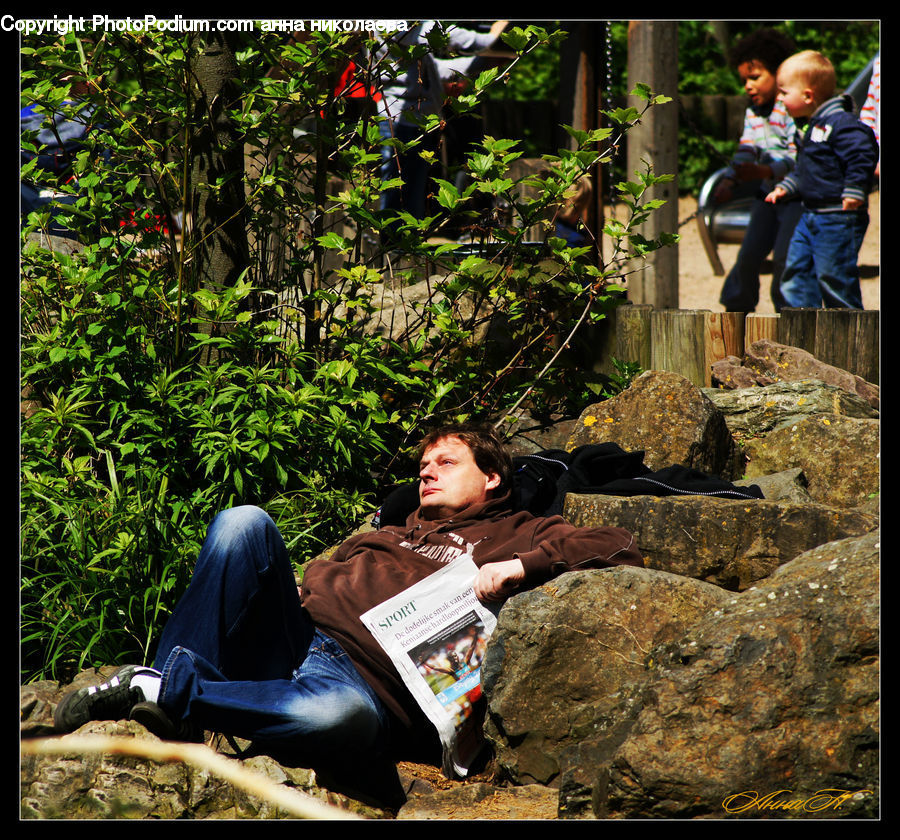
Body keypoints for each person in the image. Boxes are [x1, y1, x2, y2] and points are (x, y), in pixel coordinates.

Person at [54, 423, 642, 782]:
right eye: (421, 467)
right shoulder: (388, 528)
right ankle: (168, 685)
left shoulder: (520, 530)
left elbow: (618, 548)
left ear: (491, 477)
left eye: (445, 462)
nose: (426, 474)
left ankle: (161, 694)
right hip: (296, 639)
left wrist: (519, 566)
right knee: (243, 523)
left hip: (369, 688)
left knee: (338, 719)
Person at [765, 50, 879, 309]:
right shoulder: (811, 127)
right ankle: (803, 332)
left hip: (839, 216)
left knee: (834, 277)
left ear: (807, 95)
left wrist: (854, 190)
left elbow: (863, 153)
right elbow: (806, 169)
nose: (779, 98)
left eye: (784, 92)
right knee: (796, 274)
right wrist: (787, 187)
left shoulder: (840, 124)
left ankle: (850, 336)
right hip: (811, 214)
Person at [371, 20, 508, 223]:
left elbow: (435, 70)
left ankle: (404, 248)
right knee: (399, 199)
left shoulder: (414, 40)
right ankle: (394, 248)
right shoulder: (395, 26)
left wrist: (483, 62)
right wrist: (494, 38)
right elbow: (441, 34)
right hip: (401, 121)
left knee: (411, 198)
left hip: (420, 122)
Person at [715, 28, 801, 313]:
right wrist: (730, 179)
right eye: (744, 81)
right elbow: (746, 147)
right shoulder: (753, 112)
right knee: (749, 255)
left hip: (794, 197)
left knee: (785, 260)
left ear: (779, 73)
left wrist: (764, 171)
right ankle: (735, 311)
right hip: (766, 196)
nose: (747, 87)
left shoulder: (791, 109)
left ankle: (789, 314)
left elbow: (797, 157)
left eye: (754, 77)